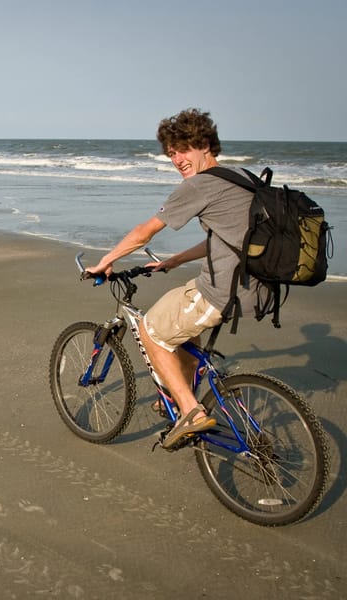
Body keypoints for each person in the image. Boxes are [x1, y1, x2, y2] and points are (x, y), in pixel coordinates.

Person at [85, 108, 258, 448]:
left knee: (151, 330)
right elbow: (227, 237)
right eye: (171, 153)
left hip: (222, 290)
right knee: (181, 331)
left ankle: (191, 411)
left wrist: (105, 261)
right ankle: (183, 395)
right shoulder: (240, 176)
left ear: (205, 144)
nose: (177, 158)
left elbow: (144, 232)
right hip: (257, 287)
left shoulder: (199, 186)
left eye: (183, 148)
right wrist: (177, 259)